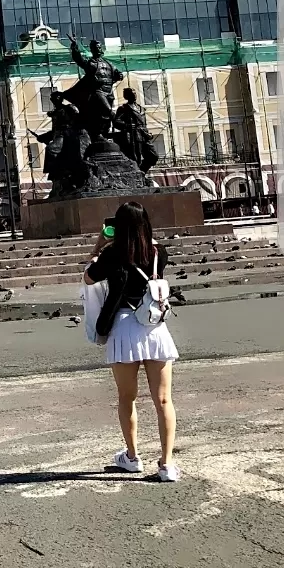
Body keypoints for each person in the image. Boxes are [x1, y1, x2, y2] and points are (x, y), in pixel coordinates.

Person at [83, 201, 180, 482]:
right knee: (163, 399)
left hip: (124, 328)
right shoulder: (157, 251)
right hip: (155, 328)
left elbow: (88, 279)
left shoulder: (113, 254)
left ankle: (132, 456)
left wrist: (99, 245)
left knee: (127, 397)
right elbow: (154, 250)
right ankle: (166, 465)